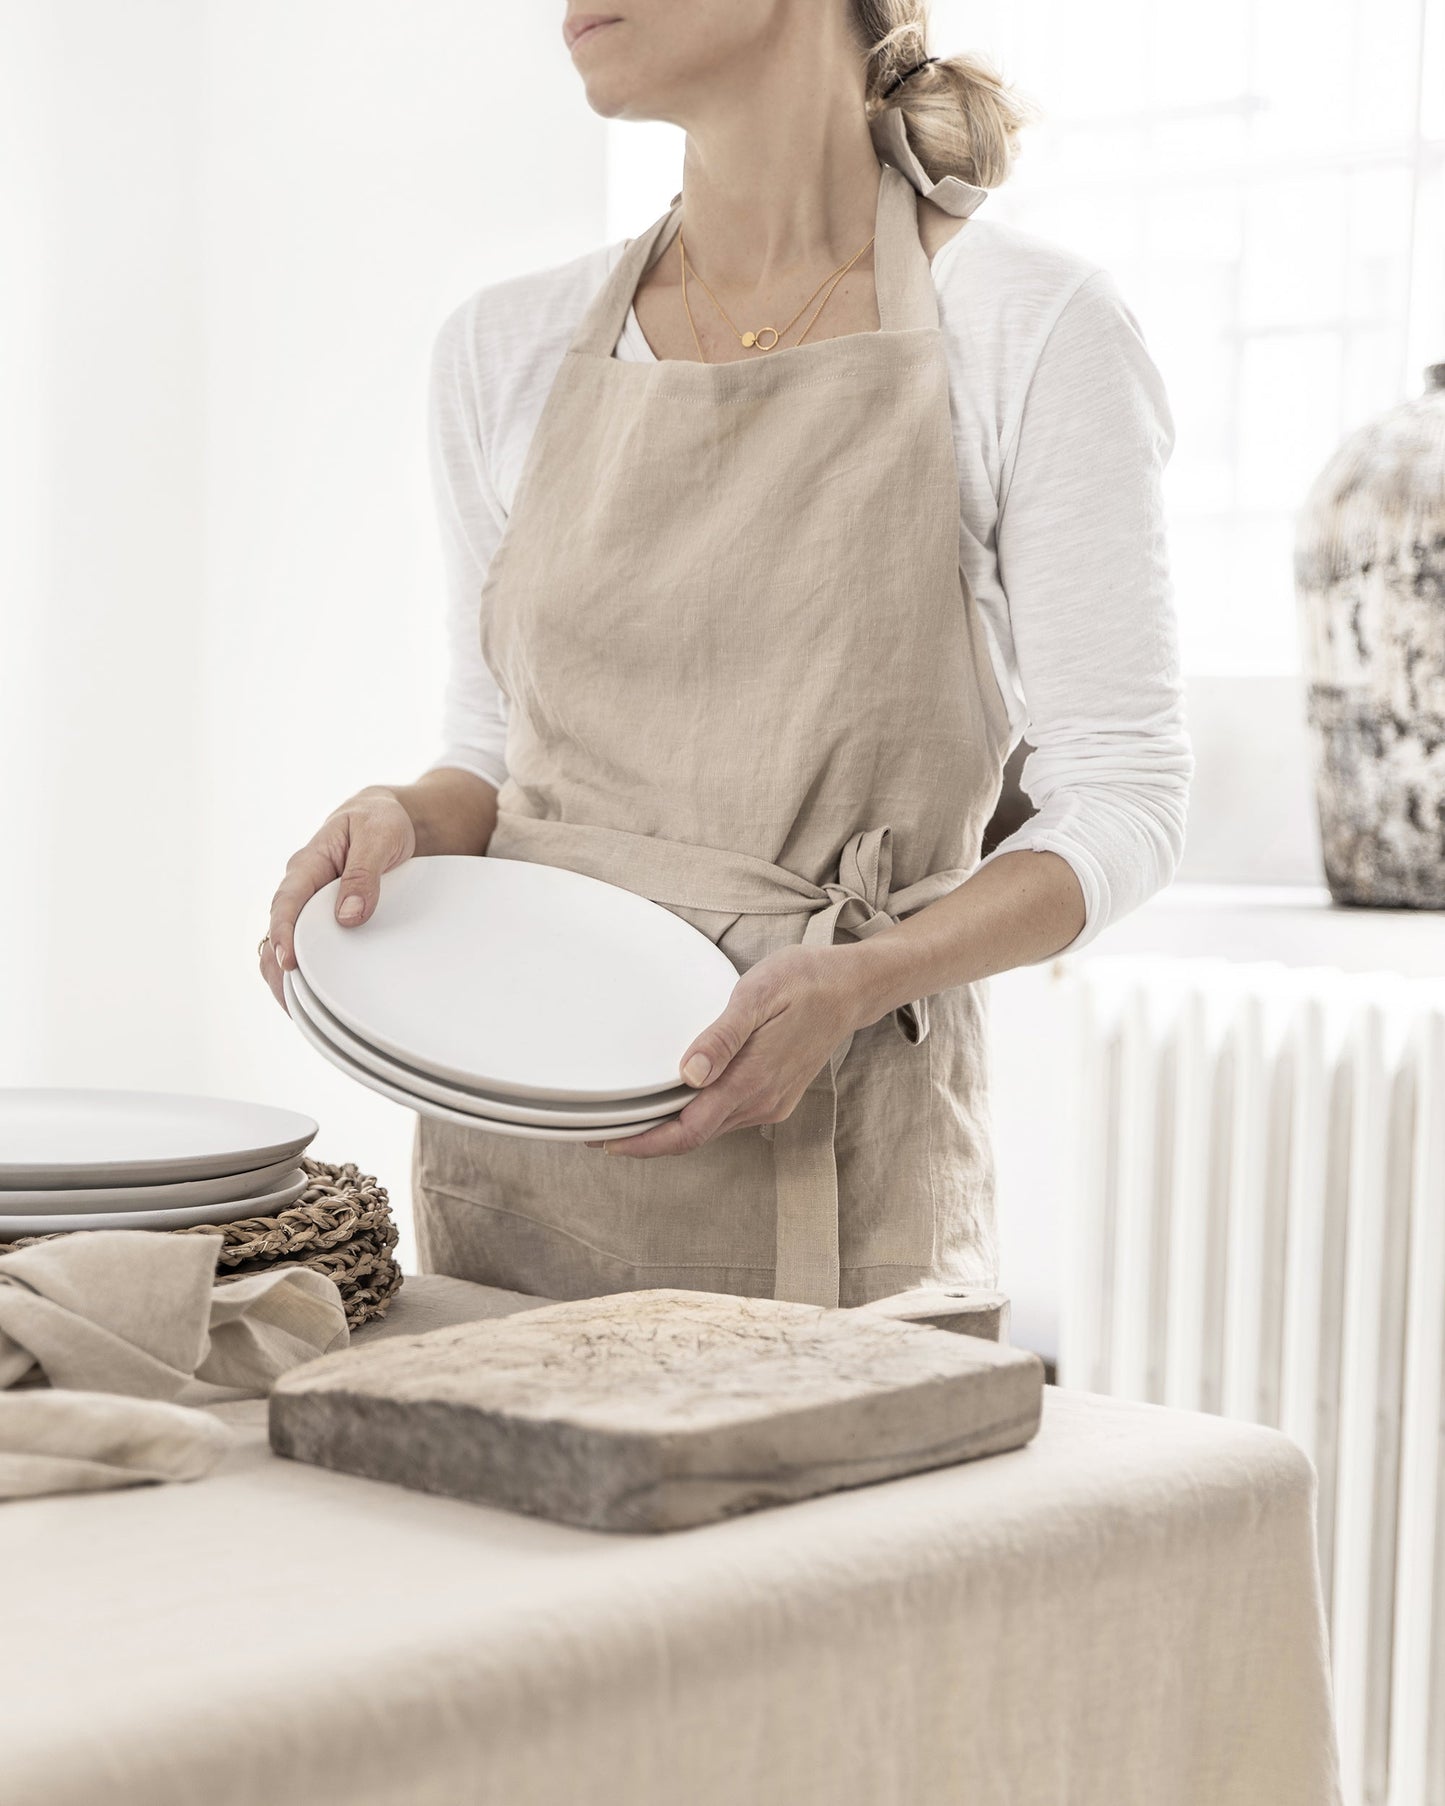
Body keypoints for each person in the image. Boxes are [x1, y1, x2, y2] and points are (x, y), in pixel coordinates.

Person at [259, 0, 1193, 1310]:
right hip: (519, 1162)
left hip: (839, 1175)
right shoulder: (501, 348)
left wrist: (870, 976)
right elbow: (492, 746)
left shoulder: (1028, 325)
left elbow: (1125, 794)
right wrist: (403, 816)